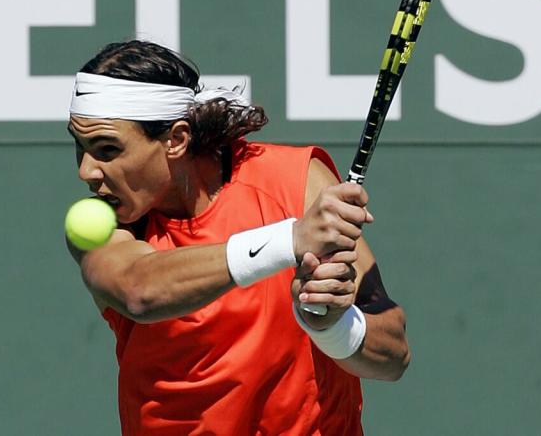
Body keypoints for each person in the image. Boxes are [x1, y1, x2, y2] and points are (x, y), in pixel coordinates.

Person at [66, 40, 410, 436]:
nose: (87, 172)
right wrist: (290, 239)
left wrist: (332, 325)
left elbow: (394, 355)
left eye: (107, 149)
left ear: (176, 140)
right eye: (81, 147)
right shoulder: (100, 225)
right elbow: (138, 290)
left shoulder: (294, 181)